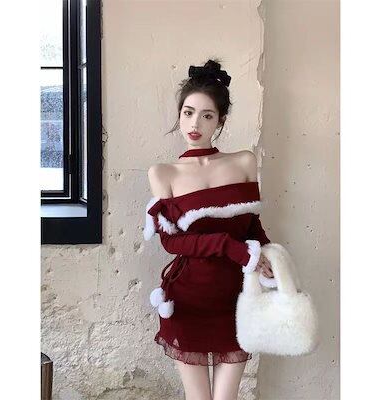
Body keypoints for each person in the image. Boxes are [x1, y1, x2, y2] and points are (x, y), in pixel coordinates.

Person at [144, 59, 274, 400]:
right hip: (188, 298)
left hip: (237, 297)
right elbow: (172, 242)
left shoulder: (244, 162)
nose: (195, 124)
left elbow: (251, 223)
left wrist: (270, 258)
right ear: (179, 115)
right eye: (188, 113)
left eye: (206, 115)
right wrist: (229, 246)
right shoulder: (163, 173)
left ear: (221, 120)